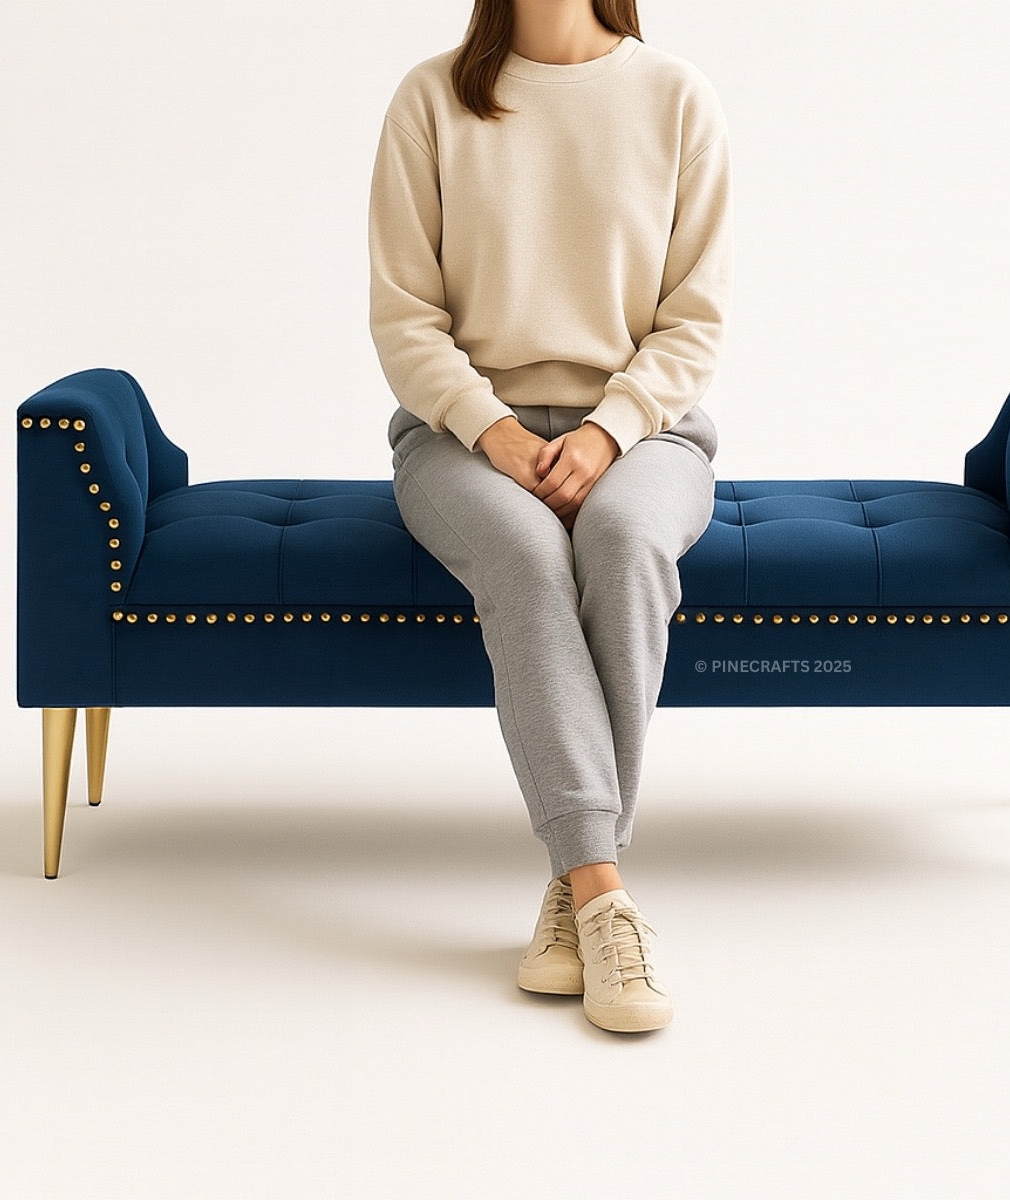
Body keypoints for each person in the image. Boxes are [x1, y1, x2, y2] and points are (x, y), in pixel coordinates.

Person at [367, 0, 732, 1033]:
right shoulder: (432, 98)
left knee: (620, 538)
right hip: (458, 436)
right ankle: (606, 897)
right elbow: (404, 317)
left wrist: (611, 431)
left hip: (650, 430)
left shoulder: (675, 96)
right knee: (527, 553)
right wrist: (493, 430)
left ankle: (577, 889)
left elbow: (694, 321)